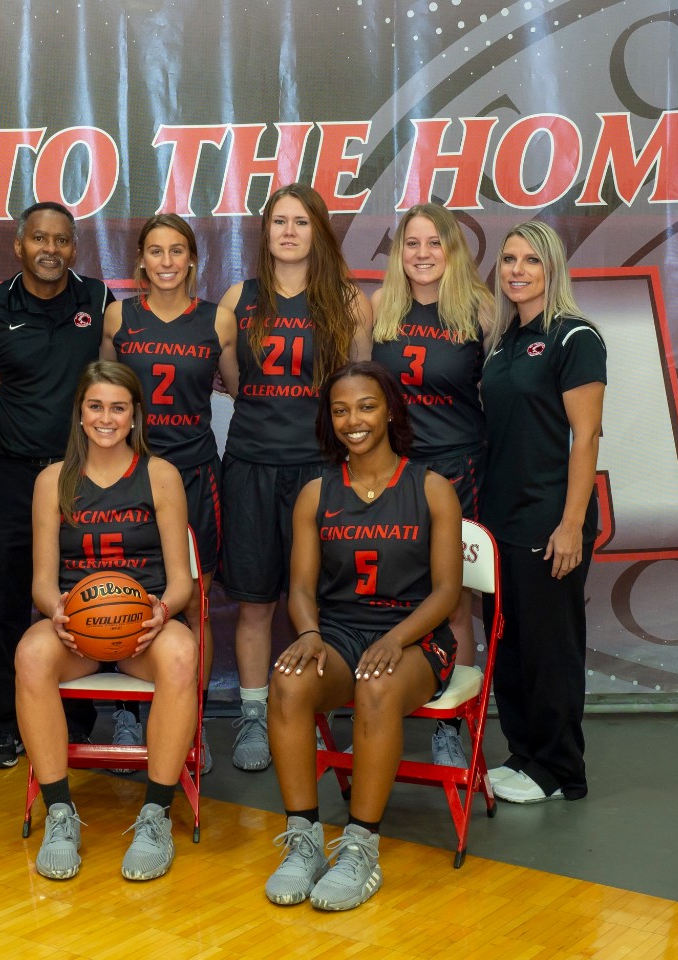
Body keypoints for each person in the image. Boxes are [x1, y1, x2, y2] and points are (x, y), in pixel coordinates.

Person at [264, 361, 462, 911]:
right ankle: (304, 840)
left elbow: (447, 591)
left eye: (367, 406)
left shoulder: (431, 488)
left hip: (416, 636)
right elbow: (300, 588)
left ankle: (360, 847)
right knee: (288, 680)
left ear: (391, 410)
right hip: (339, 632)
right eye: (341, 410)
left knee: (376, 686)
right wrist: (309, 631)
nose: (354, 420)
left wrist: (396, 639)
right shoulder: (316, 492)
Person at [16, 360, 197, 881]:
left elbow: (181, 580)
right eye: (95, 406)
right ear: (79, 413)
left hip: (143, 629)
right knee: (31, 654)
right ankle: (59, 813)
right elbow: (42, 580)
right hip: (78, 629)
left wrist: (163, 612)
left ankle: (155, 816)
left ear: (135, 415)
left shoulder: (160, 475)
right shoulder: (53, 480)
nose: (106, 418)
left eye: (118, 408)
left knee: (182, 655)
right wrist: (56, 610)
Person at [219, 183, 373, 772]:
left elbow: (360, 393)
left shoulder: (347, 301)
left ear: (319, 232)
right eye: (279, 221)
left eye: (301, 222)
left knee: (322, 603)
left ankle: (317, 710)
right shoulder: (240, 298)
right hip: (252, 465)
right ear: (265, 232)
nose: (289, 232)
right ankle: (254, 717)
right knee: (256, 602)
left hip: (321, 471)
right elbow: (236, 382)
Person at [0, 201, 113, 769]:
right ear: (19, 245)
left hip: (78, 475)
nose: (50, 249)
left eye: (61, 240)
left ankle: (76, 720)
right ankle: (7, 725)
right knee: (8, 600)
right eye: (39, 238)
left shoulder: (97, 299)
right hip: (11, 472)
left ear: (74, 247)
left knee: (80, 598)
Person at [101, 213, 237, 772]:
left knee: (195, 602)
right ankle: (130, 714)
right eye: (155, 251)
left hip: (195, 475)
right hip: (129, 478)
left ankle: (192, 723)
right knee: (125, 594)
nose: (166, 261)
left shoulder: (218, 320)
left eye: (177, 251)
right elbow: (102, 395)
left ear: (192, 260)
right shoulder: (119, 316)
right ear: (140, 259)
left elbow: (242, 388)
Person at [479, 221, 606, 804]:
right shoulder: (503, 339)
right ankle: (525, 754)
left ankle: (560, 771)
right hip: (499, 519)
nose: (517, 270)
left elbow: (587, 436)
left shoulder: (576, 337)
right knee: (510, 646)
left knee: (550, 649)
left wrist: (571, 524)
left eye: (531, 260)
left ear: (553, 268)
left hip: (550, 518)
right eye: (509, 259)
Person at [369, 203, 493, 768]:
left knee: (454, 596)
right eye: (412, 244)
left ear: (453, 249)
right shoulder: (381, 307)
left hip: (458, 467)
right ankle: (379, 708)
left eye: (434, 242)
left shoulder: (480, 309)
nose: (422, 254)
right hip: (395, 473)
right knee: (389, 590)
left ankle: (450, 725)